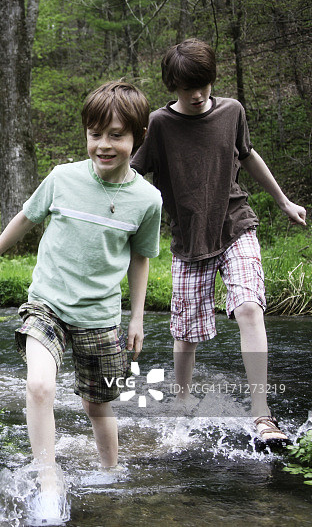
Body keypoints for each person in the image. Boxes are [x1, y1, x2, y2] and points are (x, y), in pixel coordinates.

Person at [0, 81, 163, 479]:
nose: (103, 145)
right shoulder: (62, 178)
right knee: (40, 386)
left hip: (99, 316)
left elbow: (140, 258)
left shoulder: (148, 200)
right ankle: (46, 476)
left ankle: (110, 474)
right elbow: (26, 217)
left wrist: (137, 318)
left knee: (97, 405)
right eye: (95, 135)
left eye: (116, 135)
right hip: (48, 304)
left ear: (140, 136)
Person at [131, 38, 307, 448]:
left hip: (235, 224)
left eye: (203, 85)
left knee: (248, 307)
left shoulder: (232, 111)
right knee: (186, 333)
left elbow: (248, 155)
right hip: (189, 239)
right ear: (172, 85)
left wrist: (283, 201)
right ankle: (181, 405)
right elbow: (133, 173)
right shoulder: (159, 124)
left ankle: (262, 414)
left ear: (212, 79)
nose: (196, 95)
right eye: (186, 88)